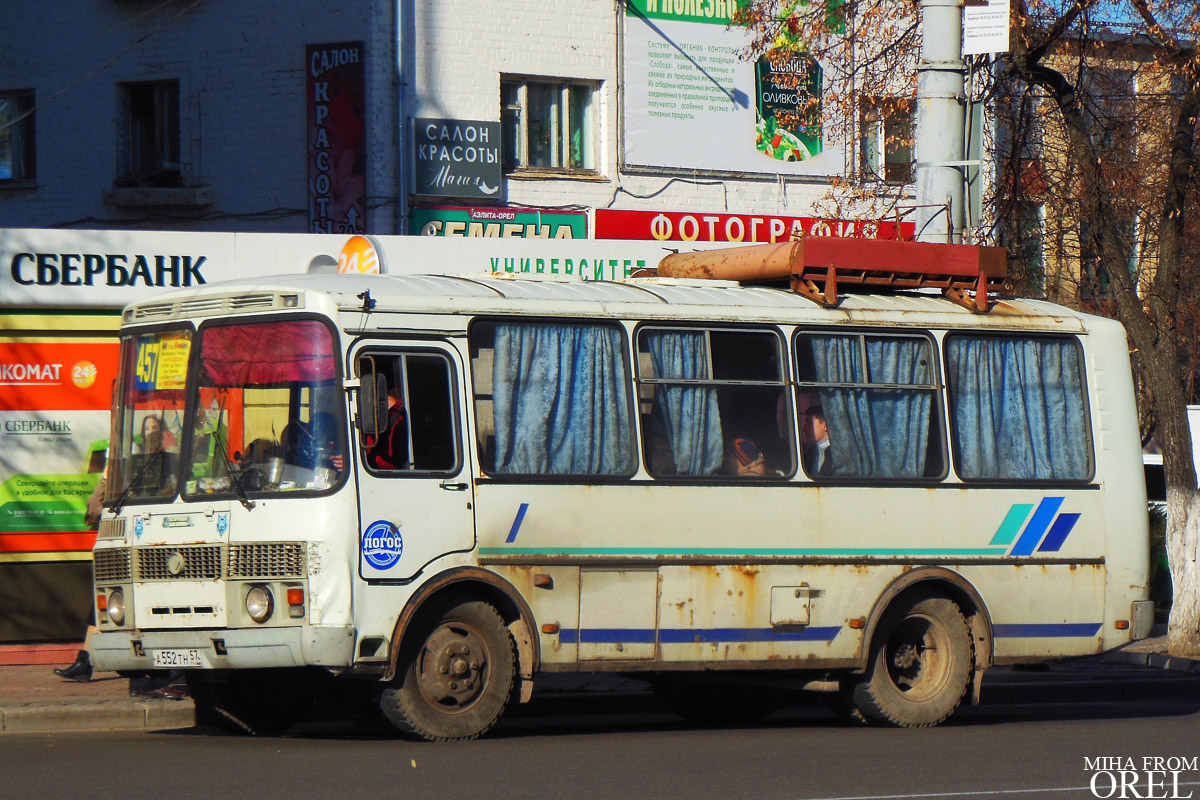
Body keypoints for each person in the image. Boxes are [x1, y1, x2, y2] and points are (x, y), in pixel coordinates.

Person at [367, 387, 408, 470]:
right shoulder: (376, 422)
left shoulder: (399, 419)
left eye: (383, 402)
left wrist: (364, 460)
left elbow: (395, 462)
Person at [804, 405, 835, 476]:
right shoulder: (810, 453)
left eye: (810, 423)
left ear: (826, 426)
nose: (804, 428)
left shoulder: (837, 455)